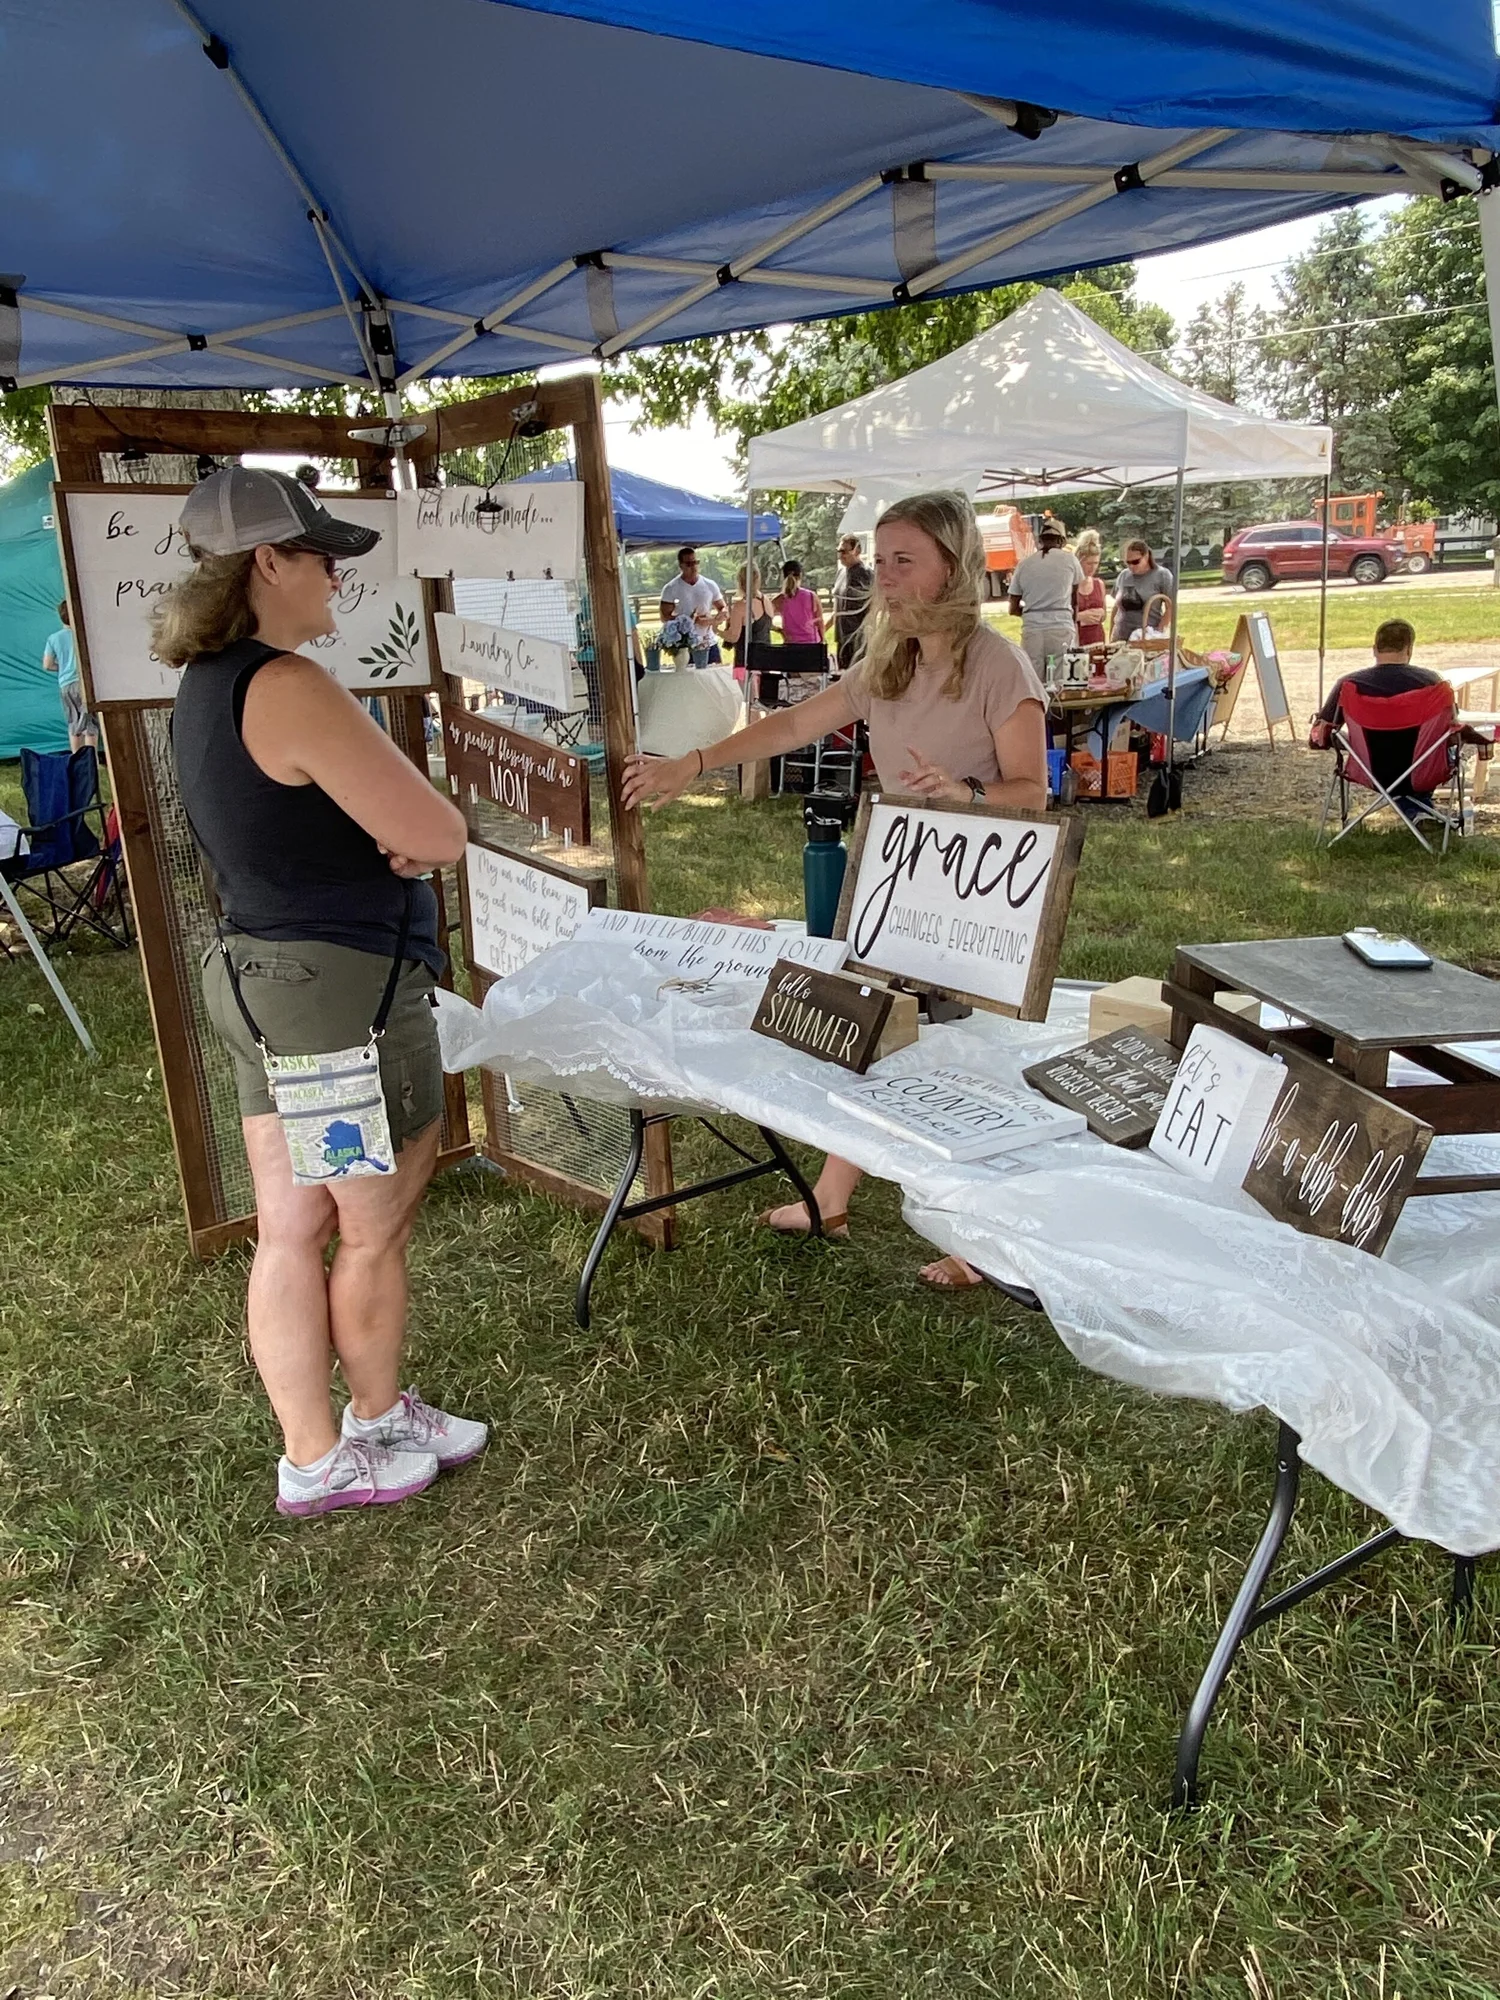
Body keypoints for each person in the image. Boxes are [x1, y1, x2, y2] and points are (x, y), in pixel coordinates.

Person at [161, 466, 484, 1518]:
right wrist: (407, 839)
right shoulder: (290, 683)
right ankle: (357, 1432)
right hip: (340, 996)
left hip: (262, 979)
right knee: (371, 1225)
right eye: (322, 558)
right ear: (268, 562)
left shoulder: (203, 686)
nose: (337, 578)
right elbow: (437, 831)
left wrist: (392, 835)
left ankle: (326, 1445)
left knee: (290, 1226)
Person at [623, 490, 1047, 1289]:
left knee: (958, 1063)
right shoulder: (888, 659)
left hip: (981, 893)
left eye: (904, 561)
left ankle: (979, 1239)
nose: (885, 577)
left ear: (953, 567)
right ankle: (831, 1198)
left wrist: (964, 793)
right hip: (898, 877)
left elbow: (1033, 793)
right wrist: (696, 763)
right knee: (868, 1030)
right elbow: (792, 725)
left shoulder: (999, 664)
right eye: (880, 560)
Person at [1309, 618, 1450, 817]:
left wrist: (1351, 744)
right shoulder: (1433, 683)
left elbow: (1319, 736)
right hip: (1421, 770)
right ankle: (1417, 810)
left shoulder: (1349, 685)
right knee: (1444, 748)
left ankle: (1415, 811)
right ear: (1409, 650)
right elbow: (1449, 729)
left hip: (1371, 770)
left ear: (1374, 649)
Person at [1008, 521, 1082, 674]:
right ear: (1062, 540)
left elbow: (1013, 608)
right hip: (1061, 625)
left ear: (1040, 540)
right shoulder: (1070, 560)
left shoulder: (1024, 564)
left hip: (1032, 629)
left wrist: (1032, 612)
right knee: (1060, 678)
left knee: (1033, 679)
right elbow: (1075, 599)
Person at [42, 602, 97, 753]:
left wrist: (63, 667)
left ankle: (76, 758)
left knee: (73, 723)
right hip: (84, 683)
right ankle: (90, 759)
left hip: (66, 685)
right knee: (90, 725)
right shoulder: (84, 634)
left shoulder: (53, 638)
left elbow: (47, 665)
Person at [659, 547, 726, 666]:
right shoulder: (671, 588)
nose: (693, 567)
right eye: (689, 564)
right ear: (681, 566)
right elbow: (665, 617)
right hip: (684, 646)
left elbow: (724, 609)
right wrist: (687, 620)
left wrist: (712, 620)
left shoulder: (709, 585)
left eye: (696, 562)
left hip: (708, 643)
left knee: (714, 675)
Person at [1111, 539, 1174, 640]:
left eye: (1135, 562)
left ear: (1146, 556)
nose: (1131, 566)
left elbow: (1171, 607)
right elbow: (1116, 607)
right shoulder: (1123, 575)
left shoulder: (1162, 575)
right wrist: (1112, 631)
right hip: (1121, 635)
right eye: (1128, 562)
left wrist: (1158, 631)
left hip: (1146, 636)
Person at [833, 534, 873, 674]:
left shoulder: (865, 574)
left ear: (857, 551)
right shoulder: (841, 573)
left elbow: (874, 604)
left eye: (844, 551)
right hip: (842, 635)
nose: (841, 555)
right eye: (839, 551)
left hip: (859, 637)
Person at [723, 563, 774, 664]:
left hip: (745, 661)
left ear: (740, 582)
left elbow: (733, 637)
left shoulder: (740, 607)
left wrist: (716, 630)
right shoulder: (766, 601)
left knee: (742, 675)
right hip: (765, 659)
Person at [775, 560, 827, 648]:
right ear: (800, 575)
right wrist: (822, 640)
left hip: (790, 644)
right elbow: (820, 621)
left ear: (783, 577)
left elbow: (765, 617)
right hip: (811, 644)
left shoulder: (780, 599)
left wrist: (779, 630)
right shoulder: (811, 596)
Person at [1073, 529, 1109, 649]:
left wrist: (1101, 614)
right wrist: (1080, 616)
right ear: (1079, 561)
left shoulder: (1099, 584)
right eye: (1089, 563)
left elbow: (1104, 615)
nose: (1093, 567)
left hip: (1097, 640)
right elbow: (1060, 616)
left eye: (1096, 563)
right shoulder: (1070, 586)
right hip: (1076, 641)